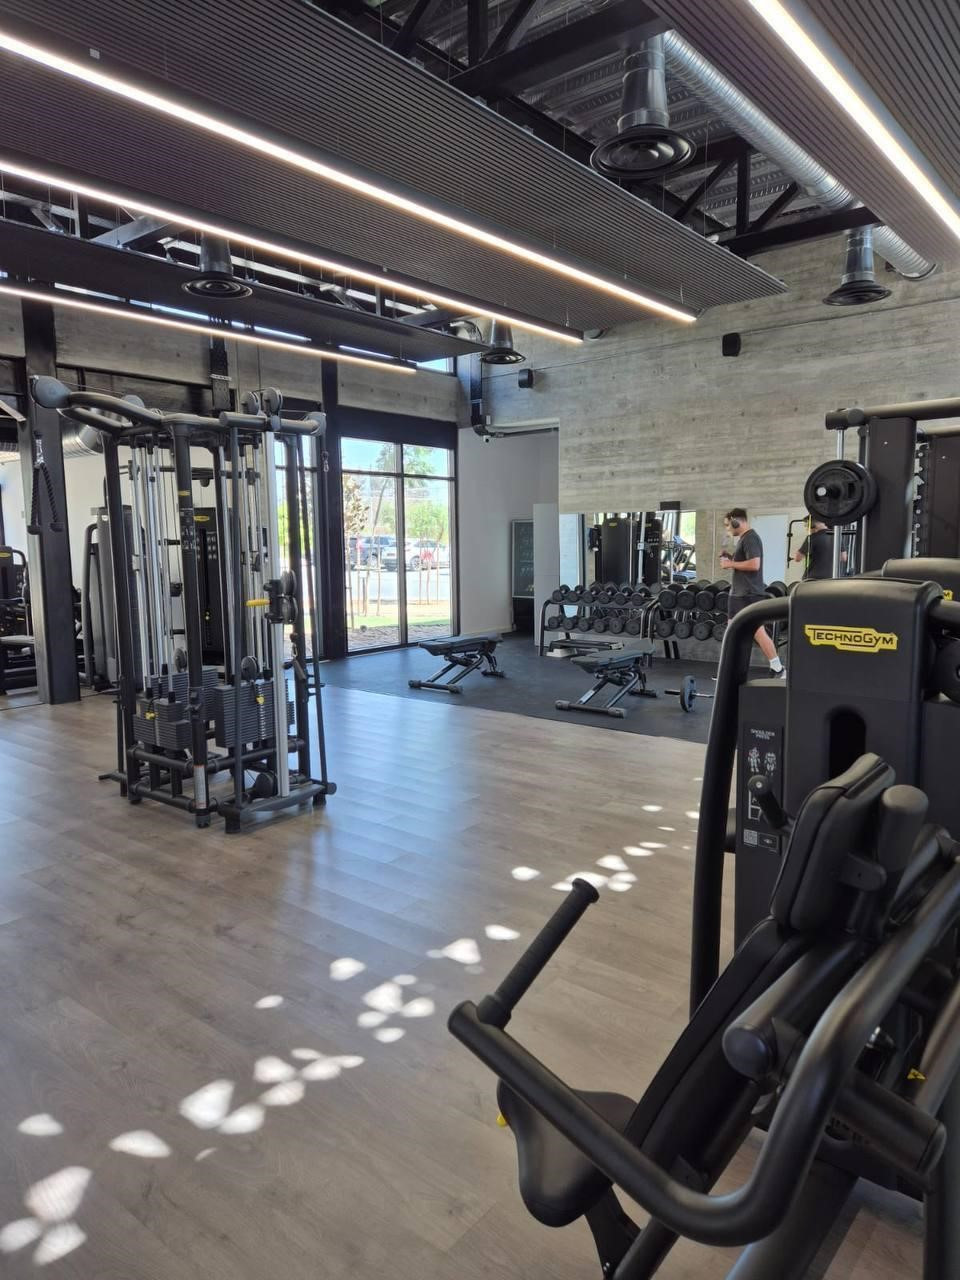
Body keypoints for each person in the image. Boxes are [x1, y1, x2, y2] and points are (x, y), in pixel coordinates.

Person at [719, 508, 785, 677]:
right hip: (738, 594)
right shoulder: (743, 539)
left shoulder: (751, 538)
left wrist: (730, 564)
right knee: (732, 631)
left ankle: (778, 669)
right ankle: (729, 670)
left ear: (736, 522)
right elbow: (744, 562)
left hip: (749, 594)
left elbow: (755, 565)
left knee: (758, 632)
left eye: (728, 525)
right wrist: (730, 557)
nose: (727, 529)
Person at [794, 515, 845, 580]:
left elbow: (797, 558)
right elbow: (843, 557)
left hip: (813, 578)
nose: (807, 529)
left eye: (807, 526)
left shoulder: (811, 538)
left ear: (814, 525)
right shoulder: (836, 536)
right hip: (832, 577)